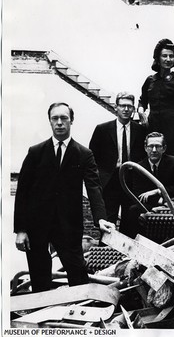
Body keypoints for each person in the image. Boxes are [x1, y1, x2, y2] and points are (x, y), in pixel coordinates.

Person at [14, 103, 114, 292]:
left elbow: (93, 187)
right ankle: (42, 315)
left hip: (68, 225)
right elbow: (23, 192)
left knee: (77, 276)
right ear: (50, 121)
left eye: (64, 118)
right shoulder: (36, 152)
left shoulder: (84, 154)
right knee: (40, 279)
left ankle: (82, 315)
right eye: (55, 118)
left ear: (71, 120)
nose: (59, 123)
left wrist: (100, 219)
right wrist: (20, 229)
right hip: (37, 225)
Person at [89, 92, 147, 229]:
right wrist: (99, 177)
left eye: (129, 106)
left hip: (131, 181)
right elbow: (92, 156)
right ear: (116, 107)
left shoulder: (140, 130)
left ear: (133, 109)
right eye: (122, 106)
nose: (126, 109)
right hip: (110, 181)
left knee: (130, 222)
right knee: (108, 221)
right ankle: (105, 250)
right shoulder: (102, 129)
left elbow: (144, 156)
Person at [122, 132, 174, 238]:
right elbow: (139, 194)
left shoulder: (173, 162)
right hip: (149, 205)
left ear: (164, 148)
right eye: (150, 146)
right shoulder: (139, 167)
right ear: (145, 148)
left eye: (158, 146)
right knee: (132, 211)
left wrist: (158, 191)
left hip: (171, 204)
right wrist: (159, 200)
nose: (154, 150)